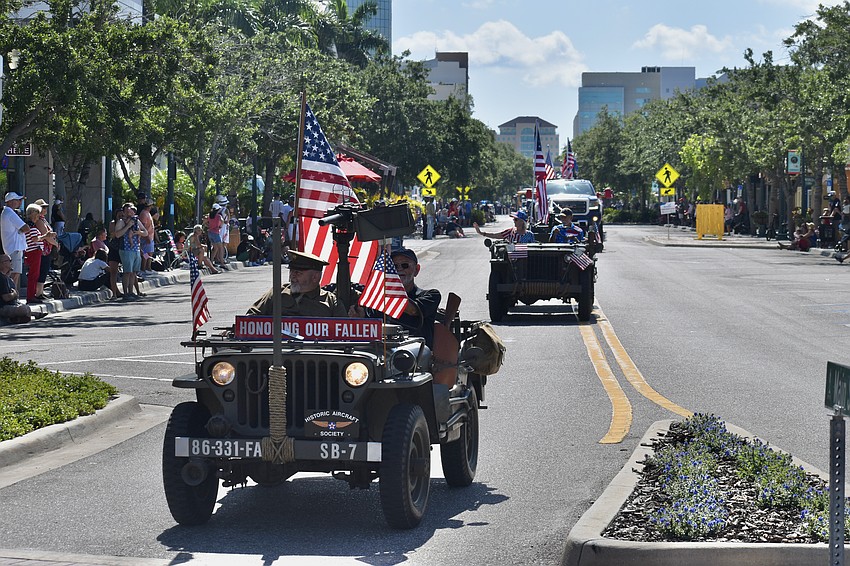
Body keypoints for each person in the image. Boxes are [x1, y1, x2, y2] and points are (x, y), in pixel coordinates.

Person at [348, 248, 441, 348]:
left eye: (405, 265)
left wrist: (382, 294)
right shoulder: (378, 300)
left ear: (416, 270)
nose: (399, 269)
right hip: (383, 350)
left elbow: (413, 310)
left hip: (416, 351)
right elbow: (372, 324)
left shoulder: (431, 295)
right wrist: (361, 317)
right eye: (394, 266)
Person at [247, 250, 346, 317]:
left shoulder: (330, 301)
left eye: (298, 273)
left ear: (315, 277)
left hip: (314, 348)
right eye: (291, 271)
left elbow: (343, 332)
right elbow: (251, 318)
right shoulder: (277, 293)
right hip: (279, 347)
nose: (292, 276)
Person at [116, 203, 147, 299]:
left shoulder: (136, 221)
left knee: (133, 272)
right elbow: (117, 234)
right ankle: (125, 293)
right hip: (126, 249)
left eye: (131, 211)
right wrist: (127, 226)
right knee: (127, 272)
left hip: (136, 249)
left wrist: (138, 232)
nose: (129, 213)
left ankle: (131, 292)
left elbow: (145, 232)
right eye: (127, 211)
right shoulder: (121, 222)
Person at [0, 191, 29, 289]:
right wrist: (20, 230)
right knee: (14, 274)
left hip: (11, 247)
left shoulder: (6, 212)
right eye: (18, 200)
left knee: (12, 273)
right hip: (14, 248)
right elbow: (26, 228)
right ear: (11, 201)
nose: (20, 202)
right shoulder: (10, 213)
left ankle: (11, 294)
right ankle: (12, 295)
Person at [0, 253, 37, 323]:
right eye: (9, 261)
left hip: (10, 304)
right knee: (25, 309)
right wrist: (14, 294)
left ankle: (18, 318)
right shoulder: (1, 278)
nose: (11, 263)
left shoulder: (6, 277)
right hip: (3, 307)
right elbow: (6, 297)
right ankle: (17, 318)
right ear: (3, 263)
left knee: (26, 308)